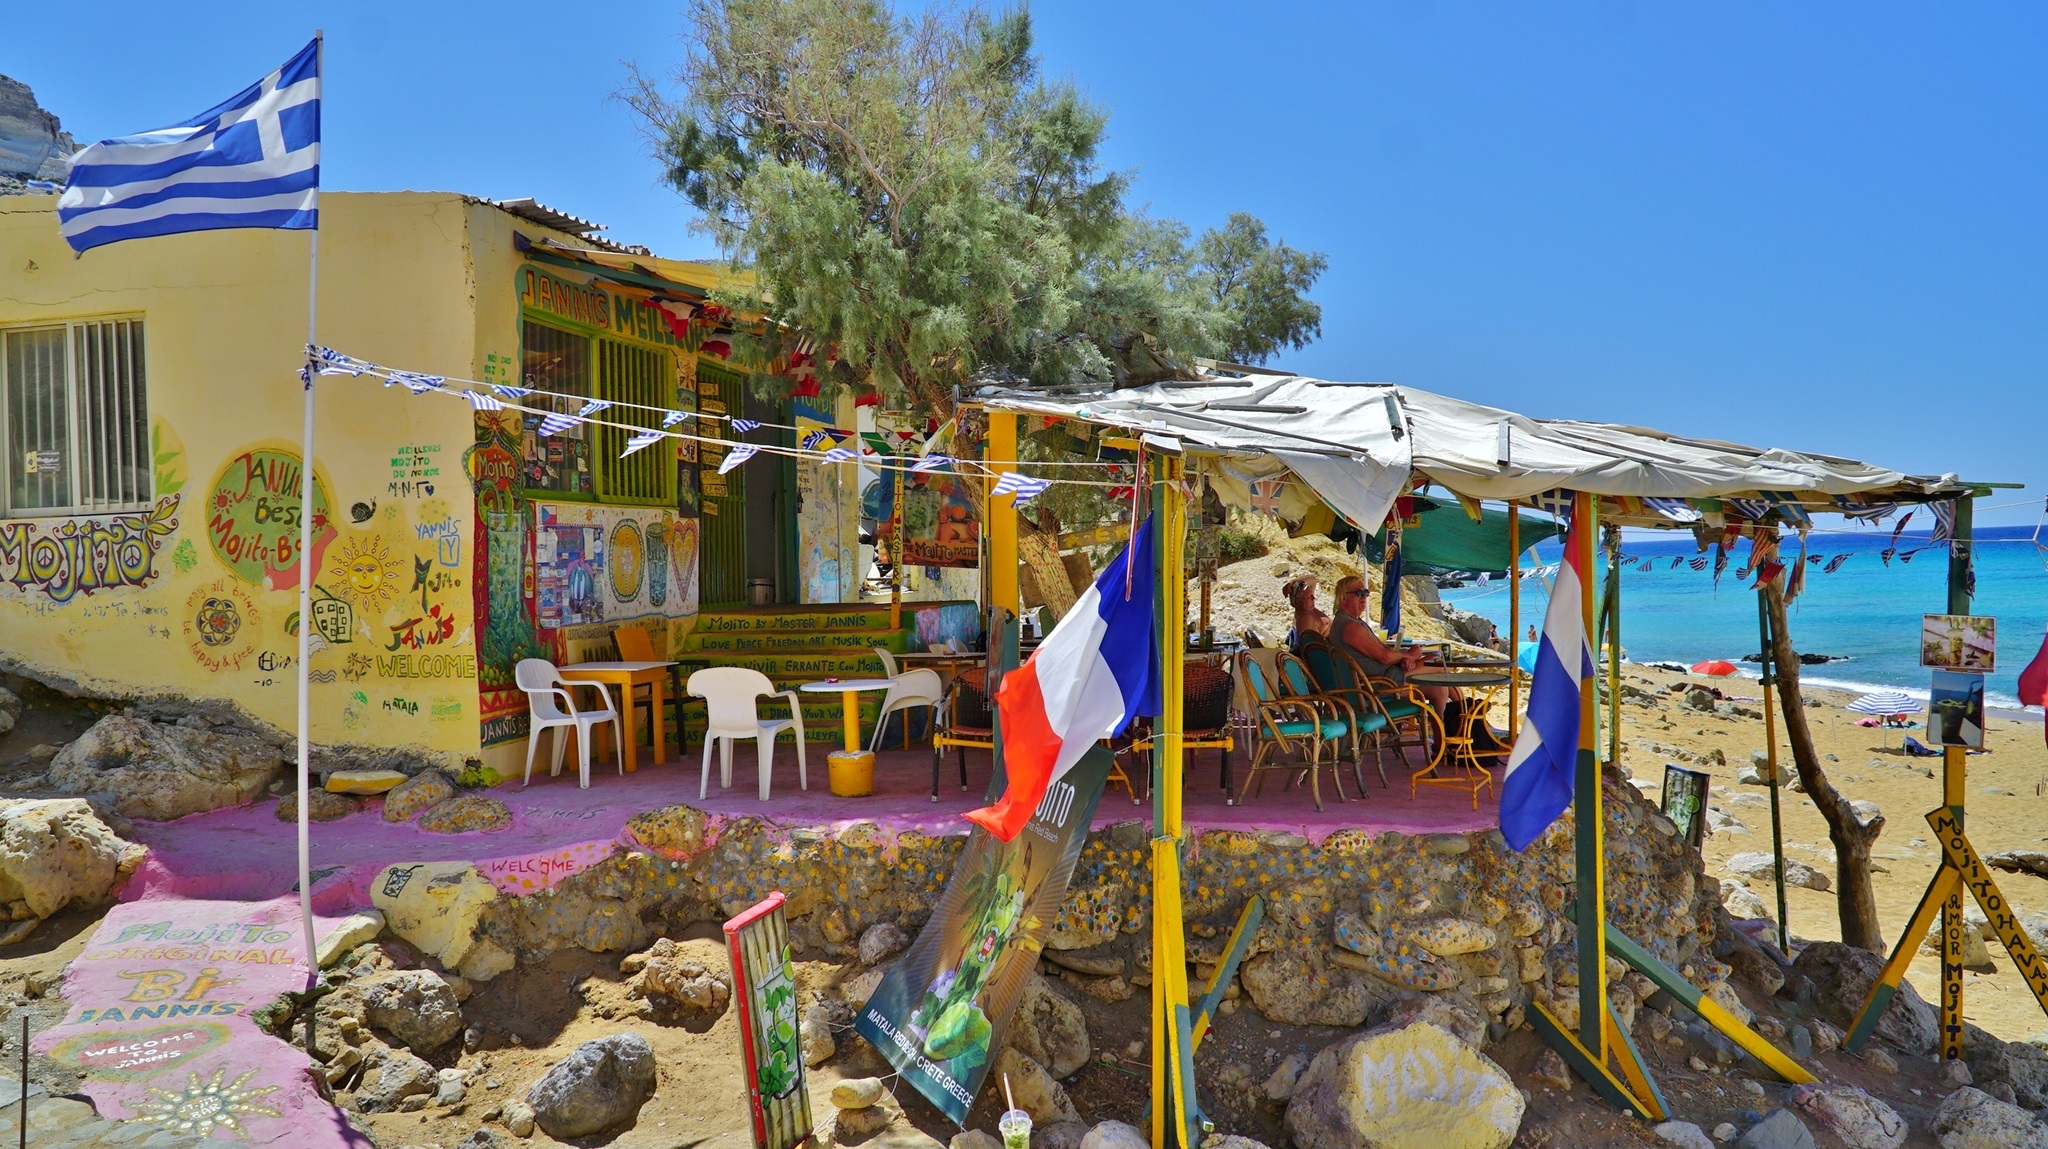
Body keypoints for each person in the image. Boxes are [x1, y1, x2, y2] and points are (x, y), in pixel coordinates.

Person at [1327, 575, 1450, 709]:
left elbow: (1384, 650)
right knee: (1437, 660)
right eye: (1359, 593)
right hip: (1377, 684)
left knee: (1437, 689)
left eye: (1366, 592)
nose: (1364, 597)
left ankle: (1451, 720)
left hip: (1379, 680)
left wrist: (1403, 659)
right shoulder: (1350, 627)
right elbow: (1385, 657)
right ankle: (1461, 705)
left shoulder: (1353, 622)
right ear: (1343, 598)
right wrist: (1410, 655)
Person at [1283, 576, 1330, 649]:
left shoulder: (1307, 608)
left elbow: (1313, 580)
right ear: (1299, 601)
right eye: (1310, 597)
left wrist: (1292, 583)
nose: (1313, 598)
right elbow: (1314, 649)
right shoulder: (1306, 620)